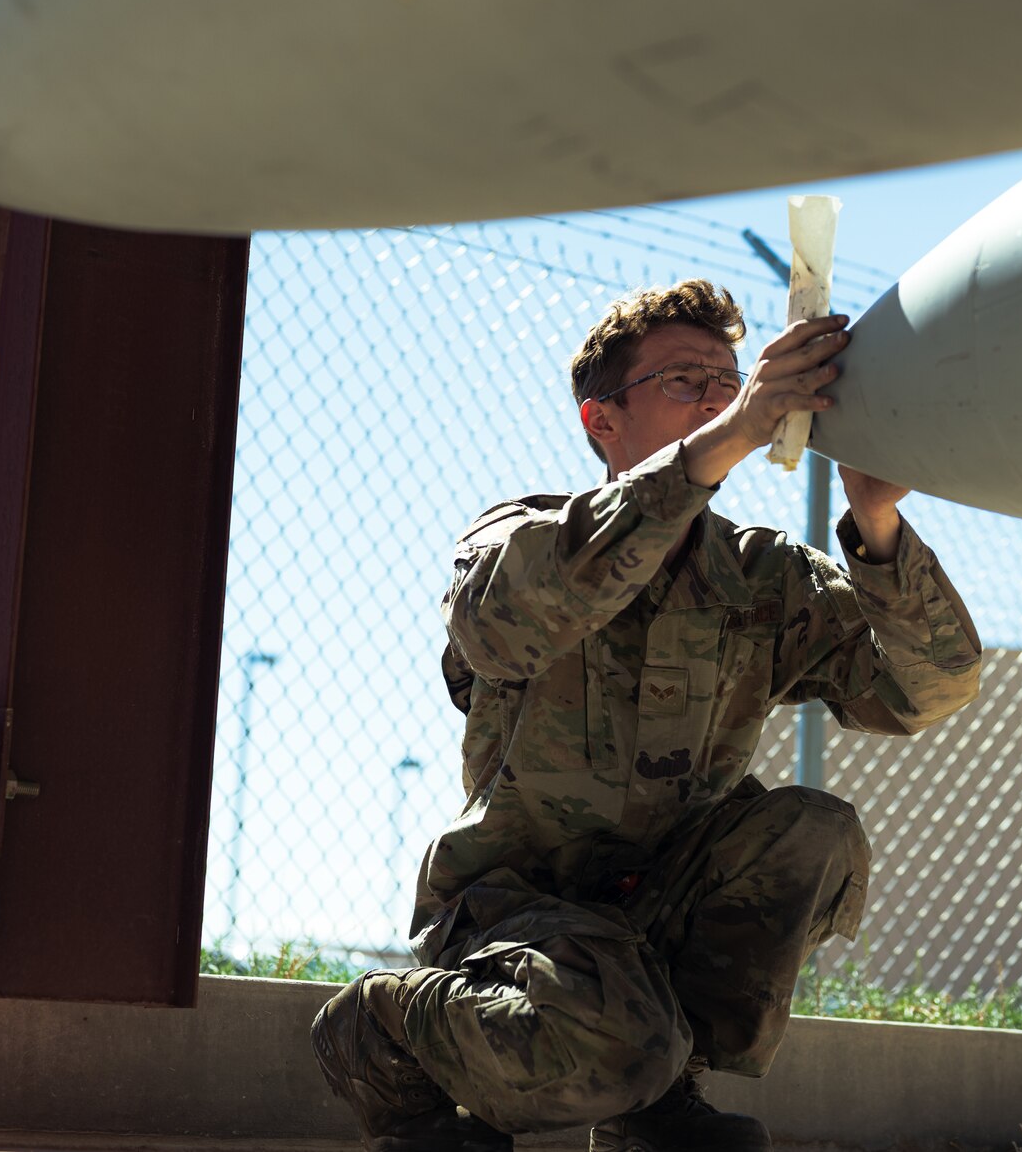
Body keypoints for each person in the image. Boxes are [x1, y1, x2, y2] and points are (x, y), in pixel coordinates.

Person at [313, 279, 982, 1151]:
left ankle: (656, 1102)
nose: (720, 395)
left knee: (810, 831)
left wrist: (877, 519)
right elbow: (506, 623)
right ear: (602, 422)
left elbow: (923, 691)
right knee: (614, 1034)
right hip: (516, 912)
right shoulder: (528, 534)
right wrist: (732, 433)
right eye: (684, 381)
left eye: (729, 378)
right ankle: (384, 1025)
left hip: (661, 905)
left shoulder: (760, 573)